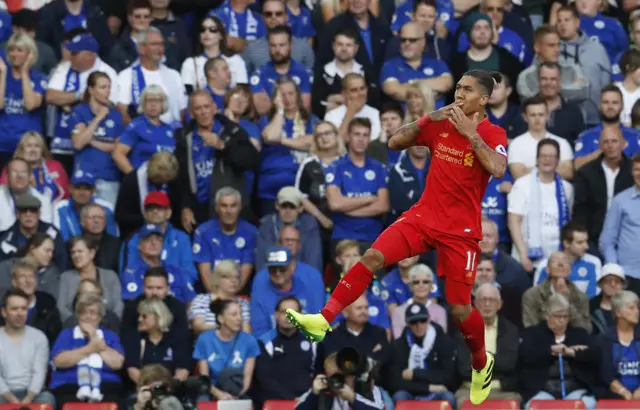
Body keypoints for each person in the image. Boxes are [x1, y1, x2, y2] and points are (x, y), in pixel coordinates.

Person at [286, 69, 509, 405]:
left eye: (466, 90)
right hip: (424, 216)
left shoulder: (493, 132)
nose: (459, 95)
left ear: (485, 98)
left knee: (460, 307)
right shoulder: (441, 122)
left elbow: (498, 169)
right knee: (372, 257)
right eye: (458, 88)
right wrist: (428, 118)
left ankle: (480, 363)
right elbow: (394, 142)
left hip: (460, 230)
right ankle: (323, 318)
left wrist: (471, 135)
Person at [194, 299, 260, 400]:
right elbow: (205, 377)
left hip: (238, 389)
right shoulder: (204, 339)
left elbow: (247, 380)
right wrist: (219, 394)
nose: (239, 318)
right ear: (221, 318)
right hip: (212, 390)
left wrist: (234, 397)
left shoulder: (249, 340)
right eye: (234, 315)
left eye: (240, 314)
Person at [0, 288, 55, 406]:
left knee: (48, 399)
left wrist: (27, 400)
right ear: (4, 312)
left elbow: (39, 373)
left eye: (24, 309)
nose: (20, 313)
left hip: (32, 394)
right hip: (3, 394)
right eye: (14, 309)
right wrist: (14, 402)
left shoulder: (39, 337)